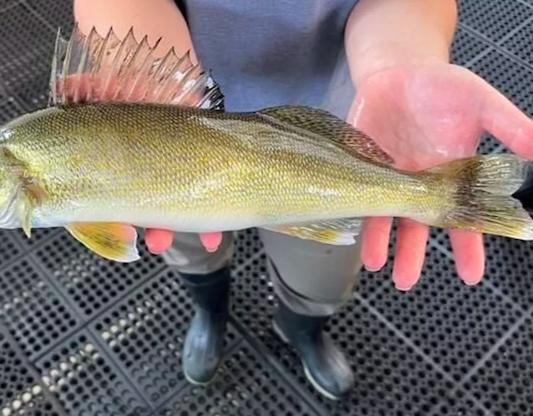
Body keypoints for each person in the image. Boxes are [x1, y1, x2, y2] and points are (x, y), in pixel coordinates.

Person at [73, 0, 533, 400]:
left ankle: (302, 330)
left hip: (341, 123)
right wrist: (149, 82)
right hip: (163, 143)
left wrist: (399, 61)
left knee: (319, 279)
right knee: (185, 250)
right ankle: (211, 312)